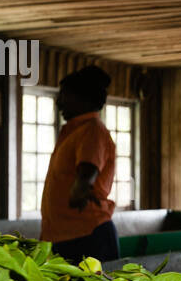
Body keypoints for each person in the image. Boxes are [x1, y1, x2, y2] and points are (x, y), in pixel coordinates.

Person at [38, 65, 120, 263]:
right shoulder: (75, 131)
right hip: (67, 234)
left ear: (82, 98)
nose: (59, 103)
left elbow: (88, 170)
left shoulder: (91, 130)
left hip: (86, 236)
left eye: (64, 95)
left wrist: (80, 189)